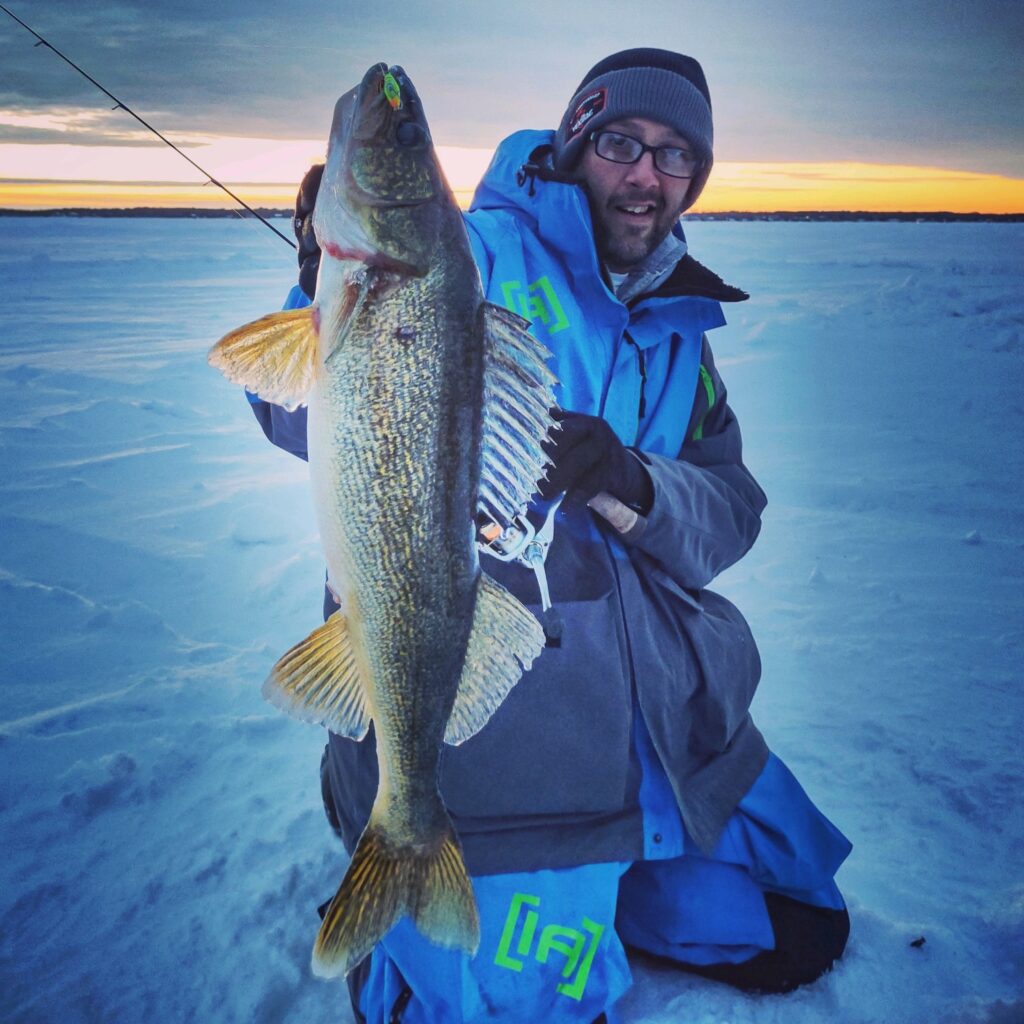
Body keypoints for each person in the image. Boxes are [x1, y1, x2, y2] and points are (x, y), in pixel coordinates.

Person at [249, 48, 851, 1024]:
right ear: (576, 144)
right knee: (518, 1005)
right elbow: (292, 415)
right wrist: (321, 299)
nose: (647, 175)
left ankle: (611, 871)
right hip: (508, 734)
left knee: (796, 921)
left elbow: (729, 512)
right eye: (622, 143)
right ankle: (419, 885)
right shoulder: (472, 251)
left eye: (674, 156)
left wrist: (629, 480)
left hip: (661, 713)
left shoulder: (677, 328)